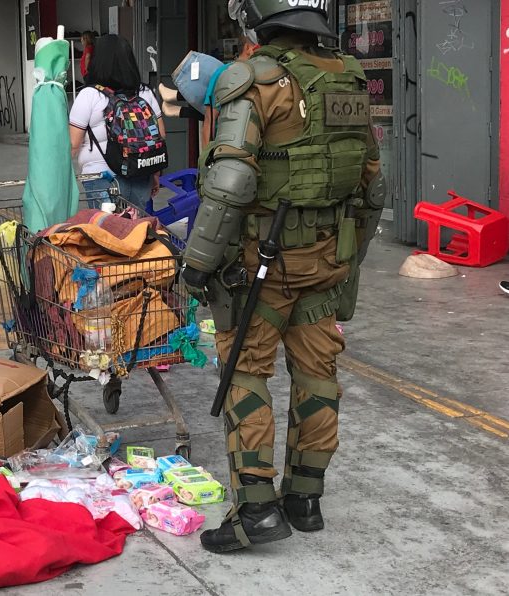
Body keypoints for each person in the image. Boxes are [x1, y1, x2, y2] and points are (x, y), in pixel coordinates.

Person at [181, 0, 385, 553]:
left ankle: (257, 510)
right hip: (327, 259)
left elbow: (229, 185)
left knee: (246, 374)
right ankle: (305, 497)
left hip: (259, 267)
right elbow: (373, 186)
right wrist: (351, 260)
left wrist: (197, 266)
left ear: (256, 18)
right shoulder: (350, 76)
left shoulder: (254, 80)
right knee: (317, 375)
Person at [68, 34, 166, 210]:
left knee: (106, 232)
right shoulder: (144, 92)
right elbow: (159, 136)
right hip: (139, 171)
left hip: (100, 176)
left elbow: (73, 144)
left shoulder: (88, 95)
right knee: (134, 231)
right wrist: (155, 174)